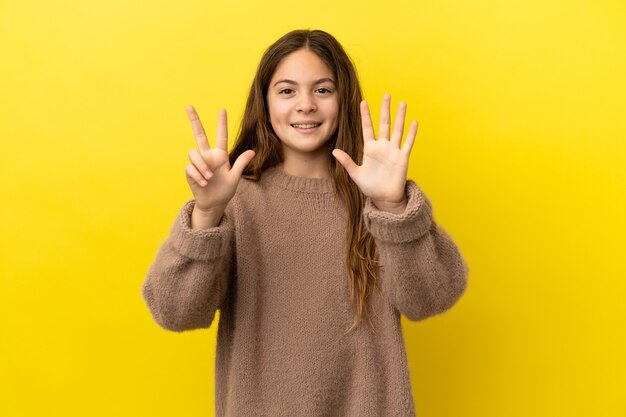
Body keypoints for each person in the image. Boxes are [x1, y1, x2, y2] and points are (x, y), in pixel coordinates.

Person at [142, 29, 469, 417]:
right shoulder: (234, 199)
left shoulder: (377, 197)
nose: (305, 105)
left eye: (322, 90)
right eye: (286, 91)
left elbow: (431, 299)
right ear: (264, 103)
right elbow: (174, 311)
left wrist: (393, 206)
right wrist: (207, 215)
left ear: (343, 99)